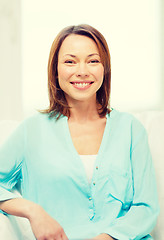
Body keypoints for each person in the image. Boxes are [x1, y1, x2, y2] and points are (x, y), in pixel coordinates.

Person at [0, 24, 159, 240]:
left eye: (93, 61)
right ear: (55, 69)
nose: (82, 71)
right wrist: (33, 211)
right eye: (70, 61)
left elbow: (146, 208)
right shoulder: (31, 131)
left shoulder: (131, 129)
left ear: (105, 68)